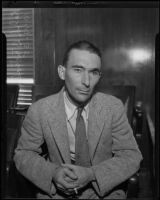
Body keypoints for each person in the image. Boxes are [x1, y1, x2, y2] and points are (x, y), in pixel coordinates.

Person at [14, 40, 143, 199]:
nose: (86, 82)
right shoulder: (40, 110)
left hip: (103, 191)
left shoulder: (113, 107)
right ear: (62, 72)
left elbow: (131, 155)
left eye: (93, 72)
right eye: (78, 70)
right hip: (56, 192)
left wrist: (91, 174)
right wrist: (53, 173)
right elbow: (24, 154)